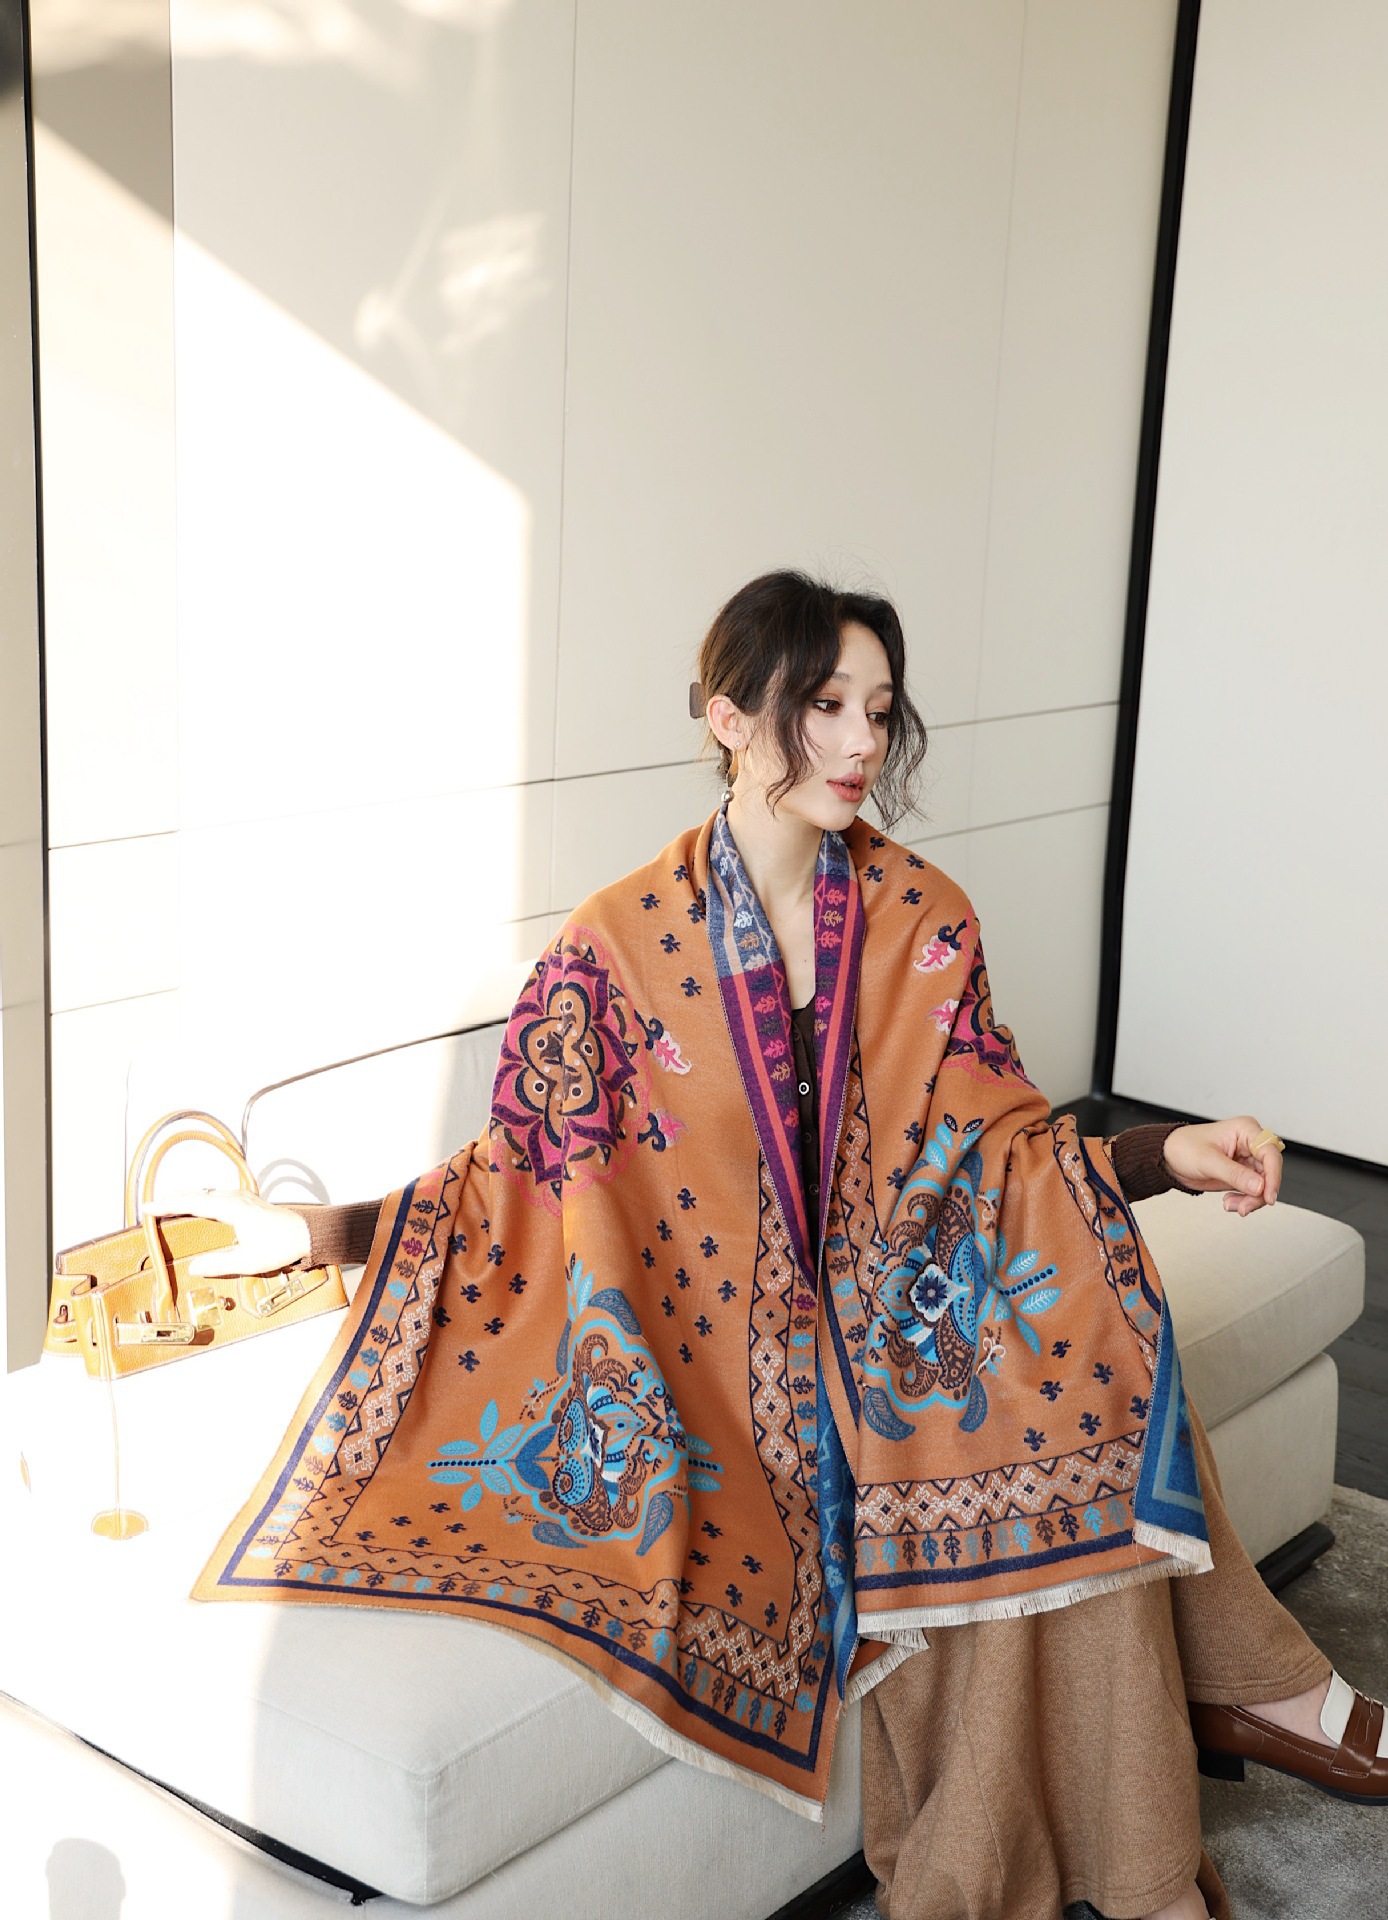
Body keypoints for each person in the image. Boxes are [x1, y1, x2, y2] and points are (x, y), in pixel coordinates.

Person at [175, 573, 1385, 1920]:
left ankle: (1137, 1846)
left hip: (899, 1307)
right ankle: (1235, 1722)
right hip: (719, 1358)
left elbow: (1001, 1154)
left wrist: (1165, 1154)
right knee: (978, 1394)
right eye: (824, 706)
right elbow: (515, 1178)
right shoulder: (615, 949)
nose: (863, 743)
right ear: (729, 717)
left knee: (1056, 1328)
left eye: (879, 709)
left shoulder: (925, 914)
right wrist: (310, 1234)